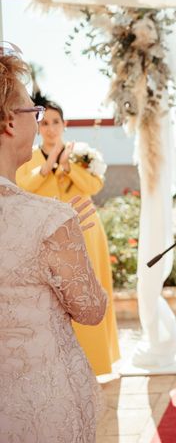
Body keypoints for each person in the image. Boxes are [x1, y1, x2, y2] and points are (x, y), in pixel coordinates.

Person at [0, 44, 107, 442]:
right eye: (34, 112)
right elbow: (91, 310)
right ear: (11, 123)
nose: (41, 121)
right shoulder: (51, 219)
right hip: (41, 404)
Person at [16, 94, 120, 376]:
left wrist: (67, 165)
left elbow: (94, 185)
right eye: (45, 122)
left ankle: (96, 362)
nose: (50, 128)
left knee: (91, 292)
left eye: (55, 122)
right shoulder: (29, 157)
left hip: (88, 232)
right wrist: (47, 166)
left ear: (64, 124)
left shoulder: (80, 154)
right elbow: (24, 186)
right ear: (38, 126)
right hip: (48, 237)